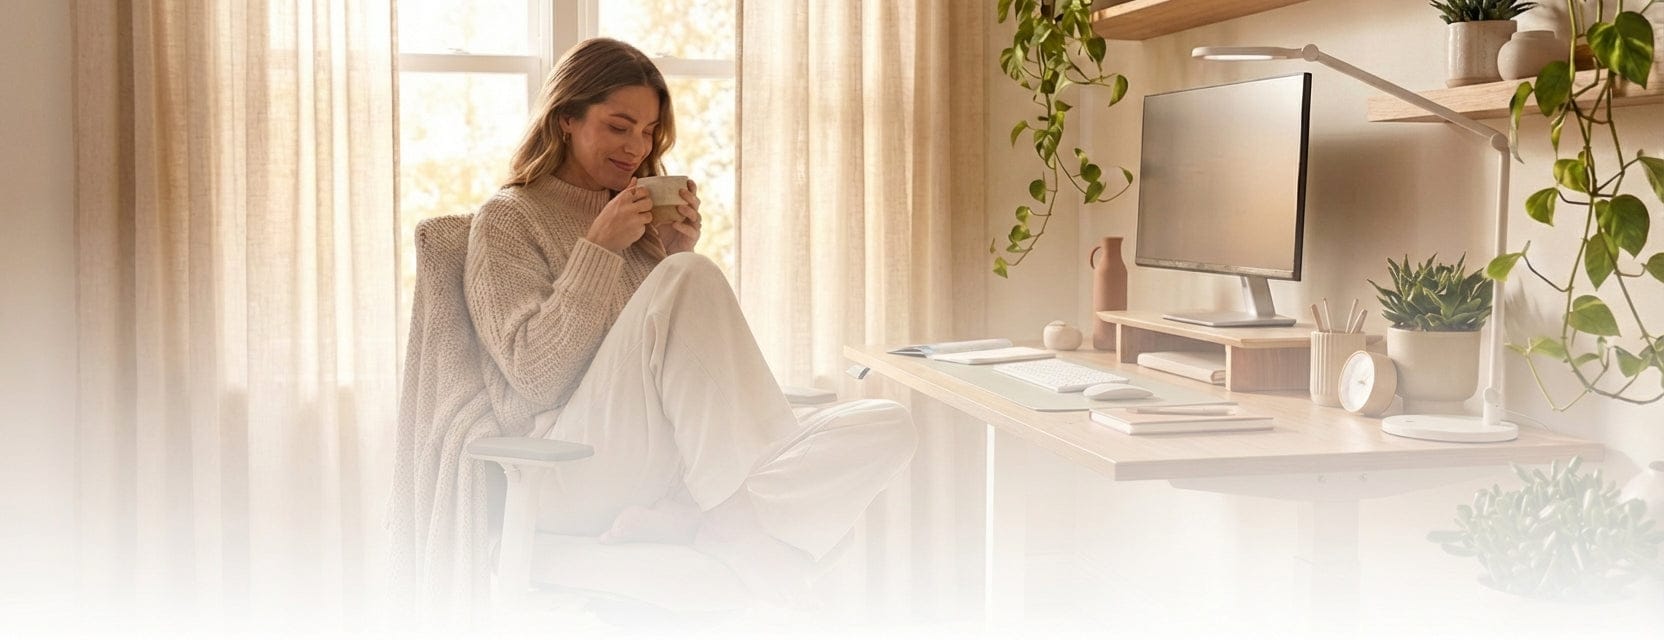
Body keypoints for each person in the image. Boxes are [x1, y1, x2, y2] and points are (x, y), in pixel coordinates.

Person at [462, 38, 917, 600]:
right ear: (566, 121)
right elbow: (535, 378)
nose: (638, 146)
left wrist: (672, 251)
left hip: (659, 469)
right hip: (566, 467)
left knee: (887, 421)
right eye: (619, 126)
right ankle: (733, 525)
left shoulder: (639, 224)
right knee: (691, 276)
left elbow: (684, 380)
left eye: (649, 130)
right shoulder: (507, 219)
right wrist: (601, 251)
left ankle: (706, 522)